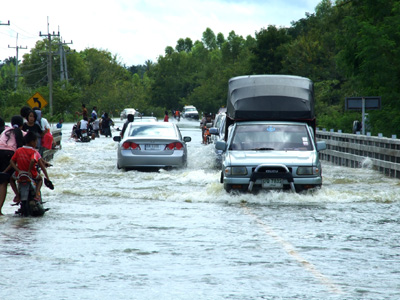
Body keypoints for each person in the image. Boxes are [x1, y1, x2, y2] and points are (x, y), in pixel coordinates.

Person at [8, 131, 50, 202]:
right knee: (40, 180)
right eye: (36, 141)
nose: (36, 143)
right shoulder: (34, 152)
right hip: (31, 174)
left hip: (19, 174)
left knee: (11, 180)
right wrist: (48, 178)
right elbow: (37, 164)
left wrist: (18, 170)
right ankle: (37, 194)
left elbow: (11, 161)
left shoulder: (19, 150)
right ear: (32, 142)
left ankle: (17, 196)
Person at [0, 116, 25, 215]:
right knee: (8, 180)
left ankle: (17, 196)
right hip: (9, 155)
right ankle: (18, 197)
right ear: (22, 125)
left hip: (0, 153)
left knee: (3, 180)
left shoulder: (5, 131)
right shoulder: (22, 133)